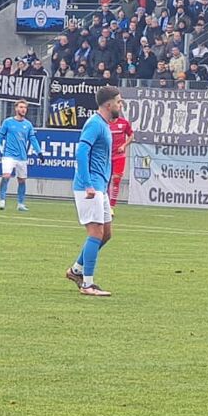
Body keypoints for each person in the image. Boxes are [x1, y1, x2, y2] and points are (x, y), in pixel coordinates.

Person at [64, 86, 122, 297]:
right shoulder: (95, 124)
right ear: (109, 104)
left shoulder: (104, 125)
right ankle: (87, 284)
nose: (120, 105)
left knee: (106, 233)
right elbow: (81, 152)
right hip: (89, 187)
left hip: (99, 186)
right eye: (118, 102)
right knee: (96, 232)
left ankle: (76, 270)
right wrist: (88, 184)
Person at [0, 100, 41, 212]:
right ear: (16, 108)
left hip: (22, 157)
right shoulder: (8, 122)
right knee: (6, 176)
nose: (23, 109)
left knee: (22, 180)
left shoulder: (28, 125)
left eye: (25, 107)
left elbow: (33, 139)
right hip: (9, 155)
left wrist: (39, 152)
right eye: (21, 107)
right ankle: (2, 199)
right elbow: (0, 136)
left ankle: (20, 203)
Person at [108, 112, 133, 210]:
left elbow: (131, 135)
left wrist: (124, 145)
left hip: (119, 156)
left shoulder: (124, 123)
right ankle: (104, 204)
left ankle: (111, 206)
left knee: (116, 180)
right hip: (106, 157)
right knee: (105, 180)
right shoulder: (104, 123)